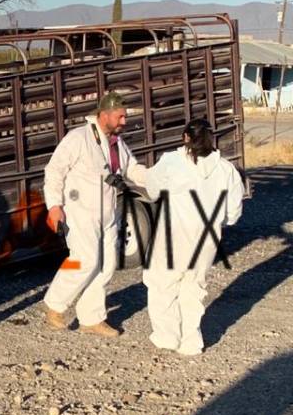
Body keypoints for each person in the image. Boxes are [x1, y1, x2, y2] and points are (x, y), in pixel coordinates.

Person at [42, 91, 149, 337]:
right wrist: (54, 205)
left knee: (107, 265)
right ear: (104, 115)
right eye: (120, 116)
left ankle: (92, 318)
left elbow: (132, 169)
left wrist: (158, 178)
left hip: (108, 213)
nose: (124, 121)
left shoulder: (117, 143)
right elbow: (55, 170)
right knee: (83, 259)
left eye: (125, 116)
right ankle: (54, 304)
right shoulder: (78, 138)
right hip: (80, 212)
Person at [142, 119, 243, 356]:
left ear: (185, 137)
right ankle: (191, 342)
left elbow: (153, 190)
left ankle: (167, 336)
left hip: (173, 233)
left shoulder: (171, 161)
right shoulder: (226, 169)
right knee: (194, 286)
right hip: (206, 236)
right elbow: (233, 212)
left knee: (162, 283)